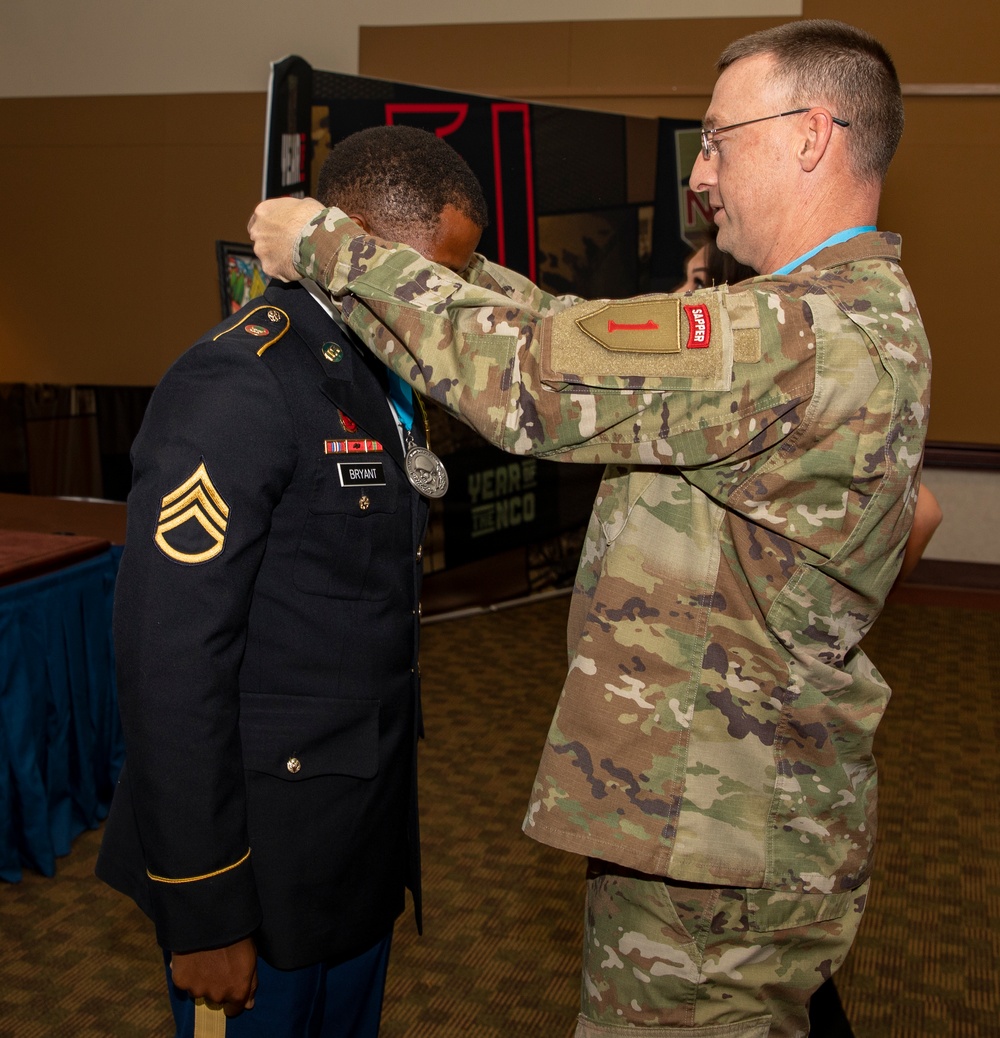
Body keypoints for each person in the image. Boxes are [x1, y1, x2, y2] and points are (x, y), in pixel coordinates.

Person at [249, 20, 931, 1036]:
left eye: (716, 139)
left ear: (808, 135)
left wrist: (323, 245)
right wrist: (446, 271)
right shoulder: (828, 319)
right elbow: (573, 341)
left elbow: (536, 378)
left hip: (719, 841)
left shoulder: (792, 334)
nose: (700, 175)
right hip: (727, 820)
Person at [96, 125, 486, 1037]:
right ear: (354, 243)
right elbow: (170, 660)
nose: (445, 305)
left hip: (353, 850)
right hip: (257, 874)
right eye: (436, 279)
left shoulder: (372, 372)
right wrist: (204, 906)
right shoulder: (238, 381)